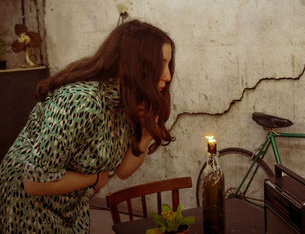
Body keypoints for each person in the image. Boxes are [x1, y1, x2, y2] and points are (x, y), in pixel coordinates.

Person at [0, 19, 175, 232]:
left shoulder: (127, 101)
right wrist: (94, 178)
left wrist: (146, 134)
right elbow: (34, 182)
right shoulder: (82, 101)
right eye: (161, 63)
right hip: (27, 203)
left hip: (70, 201)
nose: (168, 76)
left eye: (168, 64)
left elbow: (122, 171)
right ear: (135, 62)